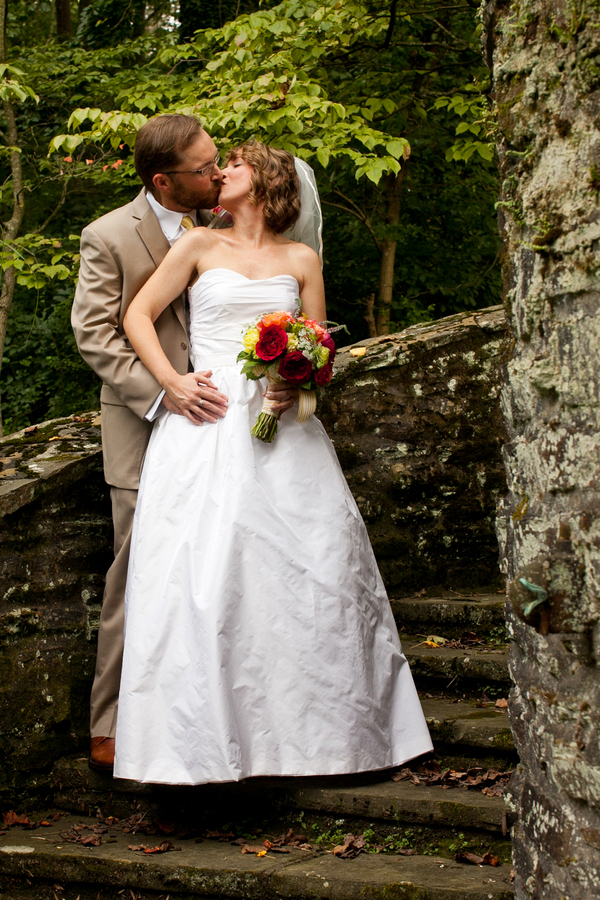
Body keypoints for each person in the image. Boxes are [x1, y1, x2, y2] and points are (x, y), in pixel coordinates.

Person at [114, 141, 432, 784]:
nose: (219, 171)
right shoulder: (200, 246)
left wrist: (300, 382)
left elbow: (320, 349)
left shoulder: (301, 258)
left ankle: (323, 743)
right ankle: (201, 750)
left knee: (312, 573)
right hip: (205, 424)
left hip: (283, 431)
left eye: (233, 163)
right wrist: (173, 384)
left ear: (265, 181)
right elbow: (137, 315)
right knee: (208, 578)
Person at [72, 116, 298, 771]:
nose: (216, 173)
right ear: (162, 180)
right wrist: (163, 389)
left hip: (229, 424)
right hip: (145, 427)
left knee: (222, 568)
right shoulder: (109, 235)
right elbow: (96, 334)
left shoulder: (229, 234)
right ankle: (113, 722)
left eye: (217, 163)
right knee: (137, 572)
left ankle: (222, 715)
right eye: (202, 169)